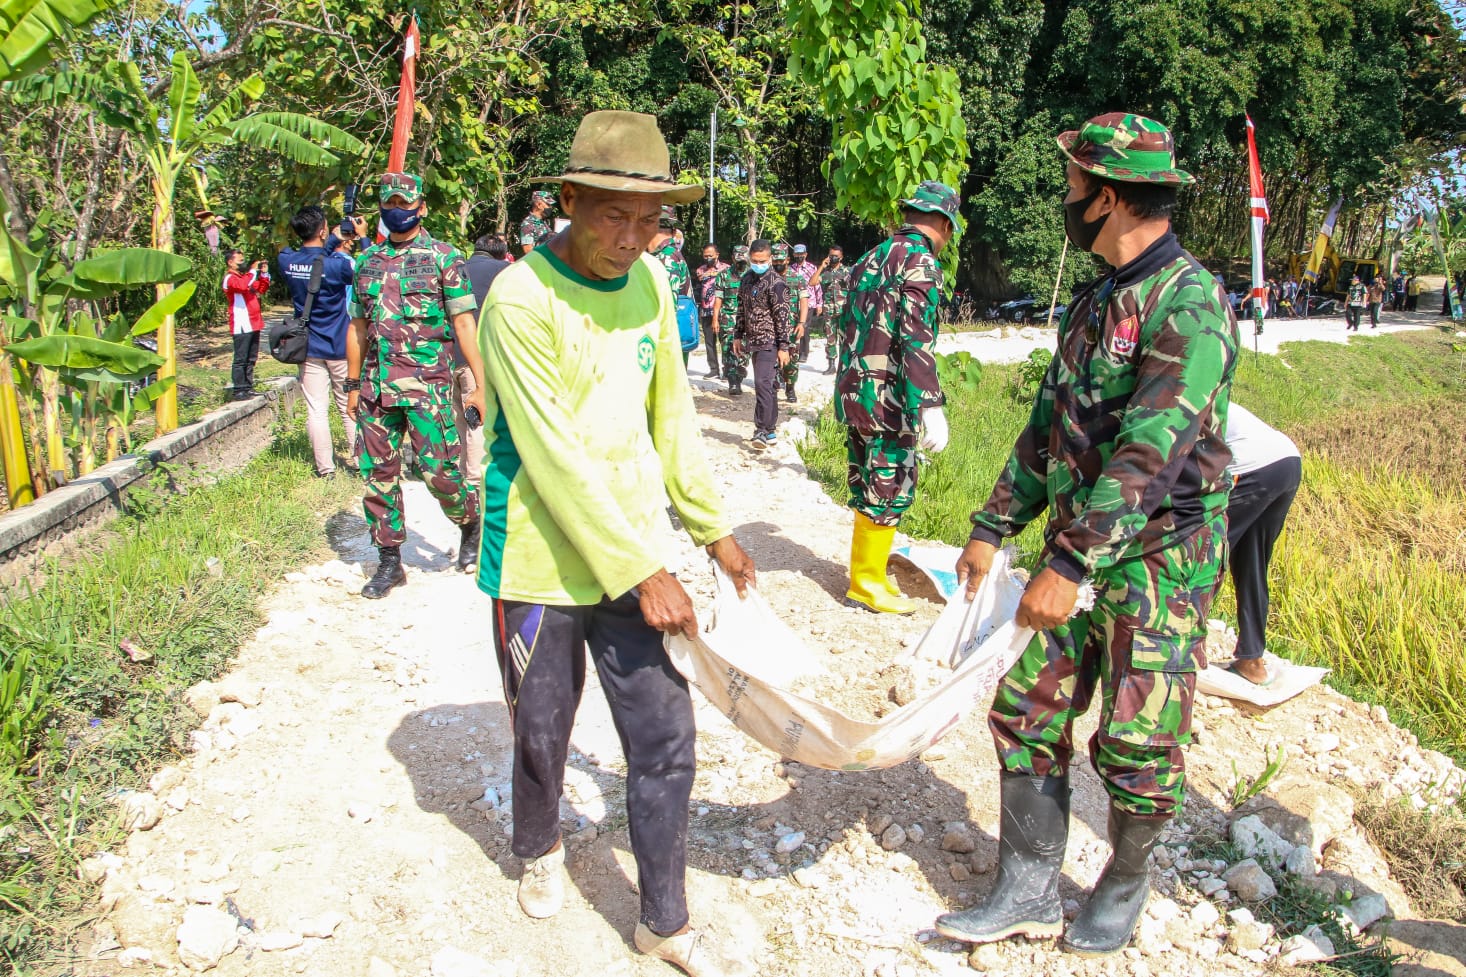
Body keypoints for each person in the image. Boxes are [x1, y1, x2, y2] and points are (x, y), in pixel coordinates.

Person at [935, 113, 1237, 957]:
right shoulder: (1098, 296)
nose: (1066, 200)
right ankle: (1027, 885)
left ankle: (1124, 881)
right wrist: (994, 524)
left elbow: (1151, 450)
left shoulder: (1191, 303)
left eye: (1073, 188)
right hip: (1079, 548)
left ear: (1106, 196)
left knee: (1140, 739)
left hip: (1160, 563)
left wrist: (1067, 560)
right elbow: (1050, 424)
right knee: (1026, 704)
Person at [477, 109, 756, 977]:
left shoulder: (652, 286)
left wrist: (711, 527)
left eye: (650, 219)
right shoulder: (519, 300)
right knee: (542, 730)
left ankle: (663, 922)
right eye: (612, 215)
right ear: (567, 200)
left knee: (665, 739)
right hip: (539, 557)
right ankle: (541, 846)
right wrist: (641, 568)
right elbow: (553, 457)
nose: (633, 237)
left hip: (637, 559)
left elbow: (671, 416)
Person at [344, 171, 484, 599]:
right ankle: (390, 562)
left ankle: (470, 522)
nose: (398, 211)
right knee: (379, 477)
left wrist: (480, 383)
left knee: (439, 473)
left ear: (421, 207)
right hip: (375, 390)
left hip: (430, 387)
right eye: (391, 205)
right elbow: (358, 328)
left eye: (406, 204)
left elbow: (464, 322)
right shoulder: (366, 263)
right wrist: (352, 384)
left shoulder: (444, 257)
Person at [834, 182, 957, 615]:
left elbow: (846, 324)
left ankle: (864, 576)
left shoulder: (869, 258)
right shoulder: (919, 261)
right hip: (889, 398)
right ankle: (866, 583)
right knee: (889, 485)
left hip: (856, 391)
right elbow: (915, 337)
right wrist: (929, 402)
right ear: (943, 224)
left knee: (866, 481)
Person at [1221, 403, 1301, 686]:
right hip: (1288, 460)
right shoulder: (1207, 389)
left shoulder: (1174, 398)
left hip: (1252, 466)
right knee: (1251, 560)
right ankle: (1251, 660)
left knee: (1202, 555)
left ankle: (1180, 651)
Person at [279, 206, 361, 476]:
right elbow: (363, 273)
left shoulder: (286, 261)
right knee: (347, 403)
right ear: (323, 230)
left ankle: (325, 469)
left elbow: (310, 259)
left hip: (308, 347)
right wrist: (350, 239)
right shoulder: (338, 265)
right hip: (339, 346)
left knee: (316, 409)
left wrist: (330, 240)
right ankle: (359, 461)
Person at [457, 233, 512, 483]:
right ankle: (475, 477)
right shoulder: (505, 271)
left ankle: (458, 471)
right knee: (477, 417)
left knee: (457, 417)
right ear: (501, 253)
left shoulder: (454, 267)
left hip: (446, 353)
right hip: (476, 354)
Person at [733, 239, 791, 448]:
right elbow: (741, 308)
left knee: (762, 384)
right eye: (755, 260)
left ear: (770, 258)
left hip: (770, 340)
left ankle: (761, 430)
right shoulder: (747, 279)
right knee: (768, 385)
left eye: (763, 261)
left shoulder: (777, 283)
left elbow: (783, 317)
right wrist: (737, 334)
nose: (759, 264)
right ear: (750, 258)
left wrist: (784, 346)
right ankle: (772, 430)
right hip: (752, 340)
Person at [223, 250, 270, 401]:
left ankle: (248, 387)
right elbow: (243, 287)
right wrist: (252, 271)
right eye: (239, 261)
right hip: (241, 323)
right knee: (241, 358)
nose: (242, 263)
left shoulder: (246, 278)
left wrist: (263, 274)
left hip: (254, 323)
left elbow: (261, 288)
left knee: (251, 357)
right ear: (230, 262)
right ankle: (239, 389)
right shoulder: (230, 279)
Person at [772, 243, 809, 403]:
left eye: (781, 260)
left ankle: (790, 388)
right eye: (775, 261)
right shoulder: (767, 278)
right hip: (770, 326)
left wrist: (802, 323)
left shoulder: (798, 279)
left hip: (791, 326)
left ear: (787, 259)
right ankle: (773, 387)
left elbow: (804, 302)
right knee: (770, 358)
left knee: (792, 360)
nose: (778, 264)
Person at [712, 244, 749, 395]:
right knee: (728, 349)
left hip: (747, 320)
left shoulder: (753, 275)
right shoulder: (723, 275)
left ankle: (739, 376)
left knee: (744, 352)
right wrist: (715, 319)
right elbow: (718, 299)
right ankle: (733, 382)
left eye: (743, 259)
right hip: (728, 318)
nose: (741, 262)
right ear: (733, 258)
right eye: (738, 259)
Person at [810, 245, 850, 374]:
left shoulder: (848, 272)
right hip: (829, 311)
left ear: (841, 257)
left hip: (844, 310)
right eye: (831, 255)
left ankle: (844, 366)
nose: (833, 258)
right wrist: (821, 266)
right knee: (830, 338)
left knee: (845, 338)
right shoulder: (825, 273)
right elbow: (812, 282)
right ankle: (831, 365)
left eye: (836, 256)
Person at [694, 243, 728, 378]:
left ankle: (728, 370)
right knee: (709, 342)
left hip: (722, 311)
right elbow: (701, 277)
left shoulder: (727, 268)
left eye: (710, 256)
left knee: (725, 342)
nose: (708, 258)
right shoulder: (701, 269)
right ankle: (714, 369)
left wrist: (716, 272)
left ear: (717, 255)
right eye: (705, 256)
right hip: (706, 310)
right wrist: (713, 272)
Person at [791, 244, 821, 363]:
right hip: (794, 303)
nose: (799, 256)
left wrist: (819, 304)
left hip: (809, 303)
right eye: (797, 254)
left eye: (801, 254)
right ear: (794, 255)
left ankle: (804, 353)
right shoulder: (791, 269)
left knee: (805, 327)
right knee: (793, 327)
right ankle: (793, 350)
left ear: (805, 254)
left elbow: (817, 287)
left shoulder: (812, 268)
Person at [518, 189, 556, 257]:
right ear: (538, 204)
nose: (550, 207)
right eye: (548, 204)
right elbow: (528, 250)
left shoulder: (543, 222)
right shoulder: (528, 224)